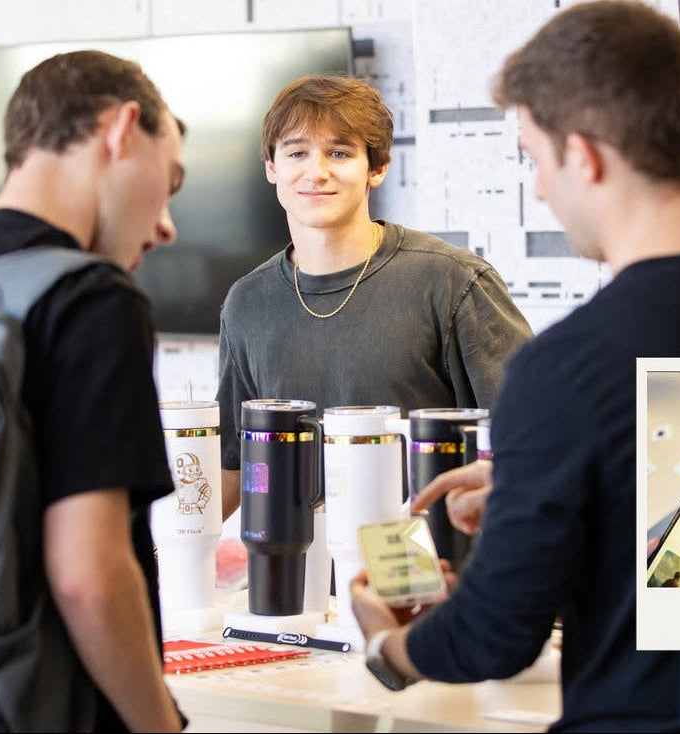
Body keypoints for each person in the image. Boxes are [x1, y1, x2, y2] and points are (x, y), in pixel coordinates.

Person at [351, 3, 680, 730]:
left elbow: (494, 636)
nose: (540, 189)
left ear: (584, 157)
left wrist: (387, 647)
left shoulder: (561, 370)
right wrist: (555, 486)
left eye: (535, 158)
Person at [0, 50, 186, 731]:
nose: (166, 224)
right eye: (168, 181)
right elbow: (88, 576)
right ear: (121, 129)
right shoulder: (92, 300)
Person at [215, 73, 532, 519]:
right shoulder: (247, 302)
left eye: (339, 153)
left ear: (377, 168)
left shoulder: (453, 281)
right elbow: (233, 463)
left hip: (427, 556)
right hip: (297, 558)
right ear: (272, 167)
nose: (316, 172)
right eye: (297, 152)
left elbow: (536, 439)